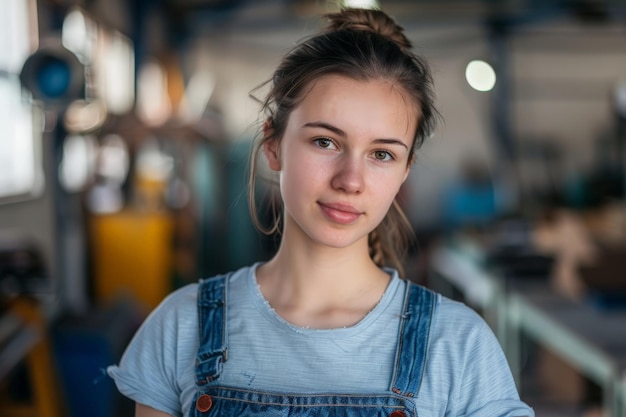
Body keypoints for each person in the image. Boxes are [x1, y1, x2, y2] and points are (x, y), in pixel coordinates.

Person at [108, 7, 534, 417]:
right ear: (273, 145)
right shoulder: (182, 327)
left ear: (405, 171)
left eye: (382, 154)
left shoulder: (458, 345)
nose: (351, 180)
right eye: (325, 142)